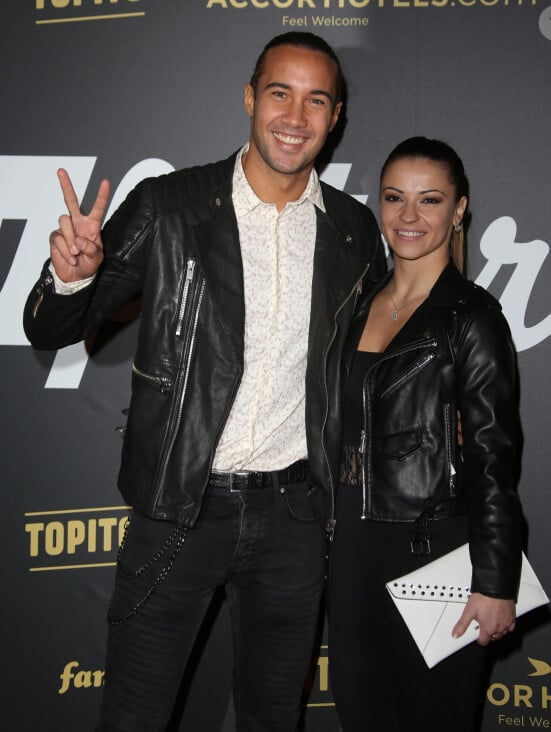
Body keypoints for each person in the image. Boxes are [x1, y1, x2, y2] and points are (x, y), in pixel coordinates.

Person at [23, 32, 385, 732]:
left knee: (273, 718)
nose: (295, 115)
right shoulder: (168, 207)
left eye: (316, 100)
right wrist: (72, 274)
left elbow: (366, 363)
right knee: (134, 716)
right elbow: (52, 329)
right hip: (177, 510)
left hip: (294, 520)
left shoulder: (351, 230)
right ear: (250, 98)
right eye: (280, 92)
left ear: (334, 117)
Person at [327, 136, 523, 731]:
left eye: (429, 199)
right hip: (351, 551)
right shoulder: (354, 304)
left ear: (458, 209)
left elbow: (494, 458)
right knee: (361, 717)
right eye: (394, 198)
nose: (409, 216)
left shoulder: (473, 316)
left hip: (434, 552)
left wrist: (494, 579)